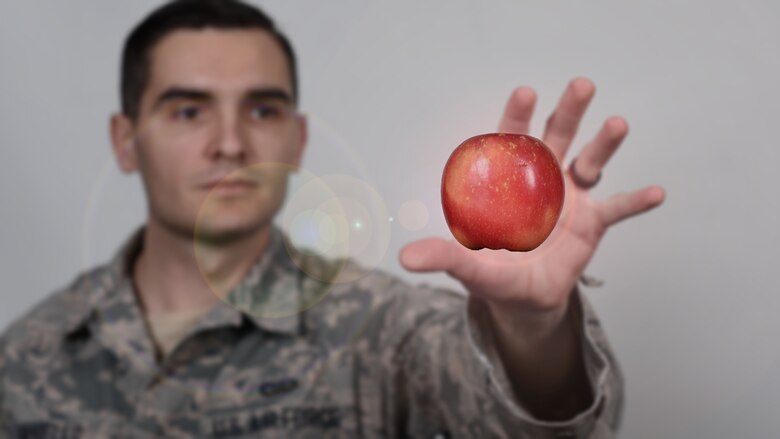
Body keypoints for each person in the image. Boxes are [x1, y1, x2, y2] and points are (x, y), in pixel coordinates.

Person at [0, 0, 665, 438]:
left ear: (297, 140)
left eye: (262, 110)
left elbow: (551, 427)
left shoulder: (378, 327)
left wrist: (533, 327)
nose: (229, 142)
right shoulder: (27, 355)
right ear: (124, 140)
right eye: (187, 110)